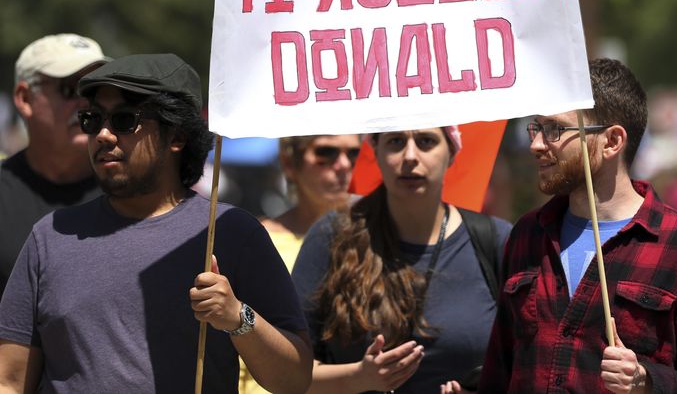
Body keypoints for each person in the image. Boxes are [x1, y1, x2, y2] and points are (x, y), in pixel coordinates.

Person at [0, 53, 312, 393]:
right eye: (91, 119)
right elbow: (10, 382)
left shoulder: (232, 232)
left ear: (176, 136)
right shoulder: (50, 235)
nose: (103, 135)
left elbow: (293, 380)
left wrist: (238, 319)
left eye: (123, 120)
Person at [479, 58, 677, 393]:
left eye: (555, 130)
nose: (536, 144)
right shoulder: (526, 235)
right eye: (536, 128)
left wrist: (647, 381)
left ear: (611, 141)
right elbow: (497, 372)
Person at [292, 126, 511, 394]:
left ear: (452, 152)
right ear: (376, 150)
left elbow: (530, 366)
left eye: (426, 141)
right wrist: (359, 377)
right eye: (395, 141)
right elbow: (288, 372)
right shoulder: (332, 236)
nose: (409, 156)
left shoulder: (495, 240)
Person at [240, 133, 361, 393]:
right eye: (326, 153)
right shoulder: (255, 240)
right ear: (289, 163)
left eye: (354, 153)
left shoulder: (377, 242)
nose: (343, 164)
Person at [0, 33, 108, 297]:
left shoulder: (135, 192)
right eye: (70, 89)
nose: (86, 104)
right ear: (25, 99)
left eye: (94, 91)